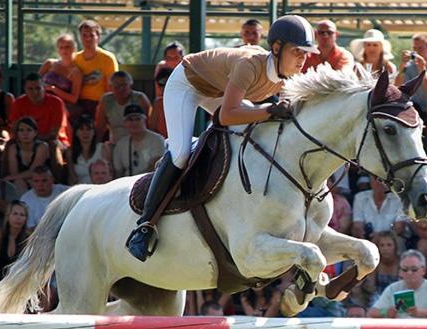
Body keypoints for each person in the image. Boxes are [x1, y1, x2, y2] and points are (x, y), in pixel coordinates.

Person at [125, 15, 318, 261]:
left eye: (306, 53)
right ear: (277, 48)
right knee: (182, 154)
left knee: (252, 123)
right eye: (297, 51)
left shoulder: (286, 76)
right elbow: (226, 116)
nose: (303, 58)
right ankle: (144, 227)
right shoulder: (250, 65)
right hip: (187, 84)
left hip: (217, 90)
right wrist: (268, 111)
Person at [73, 19, 119, 119]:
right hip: (78, 102)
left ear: (98, 37)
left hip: (99, 102)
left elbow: (111, 87)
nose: (88, 39)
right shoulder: (75, 59)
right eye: (84, 35)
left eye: (91, 35)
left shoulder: (108, 58)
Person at [95, 70, 152, 144]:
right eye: (117, 86)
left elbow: (148, 125)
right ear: (110, 87)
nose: (121, 89)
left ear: (131, 86)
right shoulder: (106, 100)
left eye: (124, 85)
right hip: (115, 144)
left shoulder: (140, 99)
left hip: (138, 143)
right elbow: (100, 128)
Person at [111, 104, 166, 177]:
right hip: (127, 184)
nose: (134, 123)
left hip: (150, 181)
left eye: (138, 119)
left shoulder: (157, 139)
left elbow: (156, 166)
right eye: (130, 120)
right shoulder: (121, 144)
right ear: (125, 123)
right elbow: (118, 172)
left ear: (145, 120)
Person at [38, 33, 83, 119]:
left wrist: (54, 89)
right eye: (61, 47)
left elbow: (74, 99)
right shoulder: (49, 64)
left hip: (60, 106)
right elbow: (34, 82)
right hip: (41, 100)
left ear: (74, 48)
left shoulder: (76, 73)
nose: (64, 50)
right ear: (58, 50)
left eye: (67, 47)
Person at [3, 116, 51, 193]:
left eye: (29, 130)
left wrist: (9, 178)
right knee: (19, 182)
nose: (25, 133)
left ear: (35, 132)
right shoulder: (13, 148)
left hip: (41, 179)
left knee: (34, 183)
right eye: (21, 130)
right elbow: (14, 173)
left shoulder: (42, 147)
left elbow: (34, 171)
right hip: (21, 180)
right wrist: (14, 178)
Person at [0, 200, 30, 284]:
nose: (18, 218)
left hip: (18, 282)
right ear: (8, 216)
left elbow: (28, 266)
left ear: (25, 219)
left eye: (22, 215)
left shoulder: (28, 238)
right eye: (15, 214)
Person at [19, 166, 68, 230]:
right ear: (31, 183)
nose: (40, 184)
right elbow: (30, 228)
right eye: (36, 181)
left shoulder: (65, 192)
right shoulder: (25, 200)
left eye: (44, 181)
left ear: (52, 180)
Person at [66, 114, 111, 185]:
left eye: (88, 129)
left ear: (94, 132)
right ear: (76, 133)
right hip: (81, 189)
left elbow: (110, 174)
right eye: (81, 129)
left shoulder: (102, 148)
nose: (85, 133)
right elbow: (72, 179)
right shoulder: (70, 152)